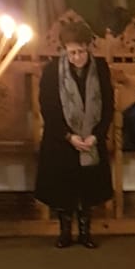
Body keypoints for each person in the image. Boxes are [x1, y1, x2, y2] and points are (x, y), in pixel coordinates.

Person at [34, 18, 114, 248]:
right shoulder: (52, 71)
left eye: (80, 51)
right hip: (61, 138)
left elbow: (108, 105)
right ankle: (65, 231)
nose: (76, 57)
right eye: (71, 53)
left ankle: (85, 232)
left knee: (88, 186)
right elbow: (48, 108)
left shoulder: (100, 68)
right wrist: (69, 136)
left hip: (91, 138)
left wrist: (96, 135)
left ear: (88, 47)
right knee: (63, 183)